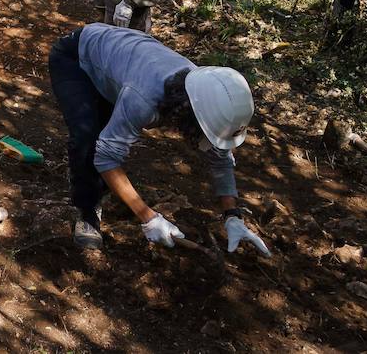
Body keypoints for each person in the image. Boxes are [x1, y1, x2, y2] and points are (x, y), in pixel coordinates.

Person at [47, 22, 270, 256]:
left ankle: (106, 189)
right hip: (76, 58)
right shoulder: (145, 100)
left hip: (120, 60)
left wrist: (232, 215)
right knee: (87, 139)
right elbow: (106, 156)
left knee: (105, 130)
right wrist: (148, 218)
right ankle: (87, 211)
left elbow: (220, 156)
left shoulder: (204, 94)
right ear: (190, 115)